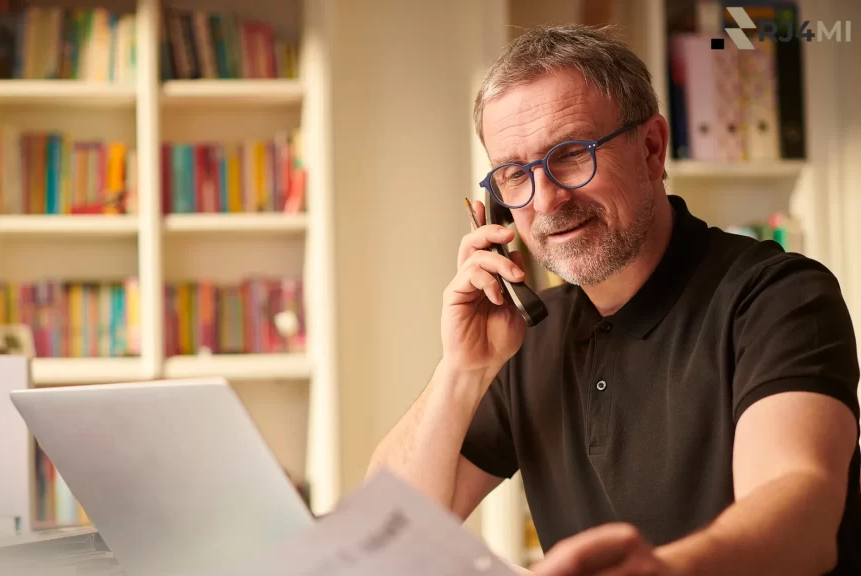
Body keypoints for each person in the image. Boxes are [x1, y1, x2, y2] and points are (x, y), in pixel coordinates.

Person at [367, 24, 860, 576]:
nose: (547, 199)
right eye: (514, 174)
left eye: (572, 154)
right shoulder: (527, 337)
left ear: (651, 148)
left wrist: (661, 571)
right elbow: (381, 533)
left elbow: (805, 518)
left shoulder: (775, 296)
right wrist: (462, 370)